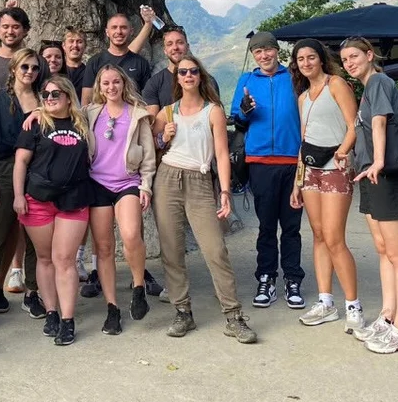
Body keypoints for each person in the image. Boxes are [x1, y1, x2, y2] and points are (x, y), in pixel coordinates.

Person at [152, 56, 257, 343]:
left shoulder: (213, 111)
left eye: (193, 71)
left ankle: (233, 316)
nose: (187, 75)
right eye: (182, 72)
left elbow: (222, 154)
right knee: (171, 250)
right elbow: (150, 143)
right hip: (167, 179)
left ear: (200, 76)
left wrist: (224, 191)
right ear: (177, 78)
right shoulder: (167, 111)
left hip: (199, 181)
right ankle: (182, 311)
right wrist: (163, 137)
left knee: (215, 249)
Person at [338, 37, 398, 355]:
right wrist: (347, 154)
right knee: (383, 249)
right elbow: (363, 129)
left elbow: (379, 121)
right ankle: (388, 316)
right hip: (369, 174)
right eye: (344, 60)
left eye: (354, 56)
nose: (349, 62)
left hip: (385, 174)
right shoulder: (367, 87)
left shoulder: (379, 81)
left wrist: (380, 161)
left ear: (370, 55)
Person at [286, 40, 363, 333]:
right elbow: (304, 141)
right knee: (318, 235)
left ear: (321, 59)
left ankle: (353, 306)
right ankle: (326, 302)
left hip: (335, 168)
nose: (306, 63)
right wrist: (297, 181)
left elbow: (353, 125)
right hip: (310, 172)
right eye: (301, 59)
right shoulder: (303, 97)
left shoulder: (336, 84)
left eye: (311, 57)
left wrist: (343, 152)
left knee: (334, 238)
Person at [14, 76, 94, 346]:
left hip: (73, 199)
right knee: (45, 259)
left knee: (65, 260)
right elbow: (20, 162)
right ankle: (51, 312)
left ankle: (68, 319)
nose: (49, 98)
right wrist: (17, 195)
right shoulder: (35, 123)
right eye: (45, 94)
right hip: (37, 199)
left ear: (69, 96)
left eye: (55, 94)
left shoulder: (83, 122)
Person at [230, 31, 304, 310]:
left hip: (292, 161)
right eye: (258, 52)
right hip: (259, 161)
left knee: (292, 226)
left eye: (268, 50)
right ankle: (266, 278)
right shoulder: (246, 80)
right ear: (253, 56)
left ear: (276, 51)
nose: (264, 56)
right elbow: (237, 118)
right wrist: (245, 110)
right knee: (266, 226)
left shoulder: (293, 79)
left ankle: (293, 279)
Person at [84, 65, 157, 333]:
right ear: (99, 87)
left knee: (130, 235)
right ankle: (112, 307)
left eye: (116, 82)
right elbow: (60, 113)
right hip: (97, 184)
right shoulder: (91, 113)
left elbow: (148, 156)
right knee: (103, 247)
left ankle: (139, 287)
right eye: (106, 83)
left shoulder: (138, 115)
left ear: (123, 84)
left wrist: (146, 186)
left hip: (128, 182)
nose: (111, 87)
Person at [0, 50, 43, 325]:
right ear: (13, 68)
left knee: (35, 239)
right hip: (4, 169)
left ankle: (32, 292)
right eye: (24, 66)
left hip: (38, 171)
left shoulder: (43, 99)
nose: (29, 71)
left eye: (35, 68)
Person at [141, 24, 219, 117]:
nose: (175, 48)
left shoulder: (208, 81)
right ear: (165, 50)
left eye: (180, 42)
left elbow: (215, 115)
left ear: (188, 46)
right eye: (170, 44)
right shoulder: (153, 84)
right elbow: (151, 122)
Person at [80, 13, 154, 105]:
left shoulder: (141, 63)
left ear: (131, 31)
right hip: (102, 116)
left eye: (123, 27)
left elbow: (148, 99)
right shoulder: (94, 62)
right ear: (107, 32)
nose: (119, 31)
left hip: (133, 115)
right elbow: (86, 100)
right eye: (114, 27)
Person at [62, 27, 88, 91]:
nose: (75, 45)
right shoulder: (58, 72)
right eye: (71, 41)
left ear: (85, 47)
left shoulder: (89, 73)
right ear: (64, 46)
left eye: (79, 42)